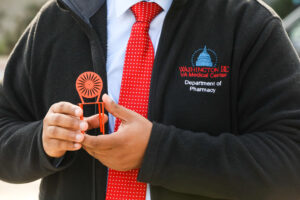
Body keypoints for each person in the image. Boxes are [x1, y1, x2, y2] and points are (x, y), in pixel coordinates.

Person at [0, 0, 300, 199]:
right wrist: (41, 141)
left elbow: (289, 161)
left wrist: (157, 152)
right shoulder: (58, 19)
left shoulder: (247, 23)